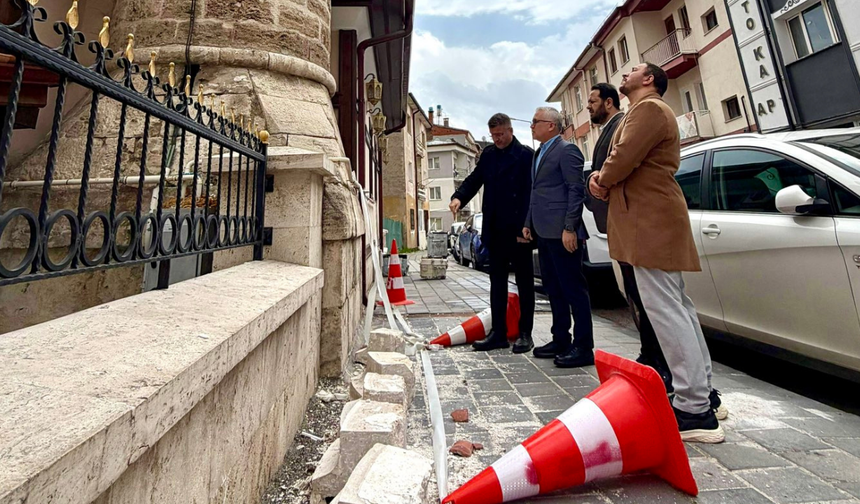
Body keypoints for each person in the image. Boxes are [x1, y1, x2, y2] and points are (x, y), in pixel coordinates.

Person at [589, 63, 726, 443]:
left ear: (648, 79)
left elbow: (623, 157)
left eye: (633, 69)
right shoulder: (648, 110)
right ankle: (703, 395)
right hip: (650, 218)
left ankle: (695, 409)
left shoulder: (647, 109)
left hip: (648, 220)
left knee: (666, 310)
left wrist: (599, 179)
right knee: (677, 307)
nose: (625, 73)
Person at [584, 83, 673, 392]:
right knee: (635, 293)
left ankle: (658, 361)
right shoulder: (606, 130)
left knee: (646, 296)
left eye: (592, 101)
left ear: (609, 103)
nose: (588, 107)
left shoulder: (625, 123)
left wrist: (599, 181)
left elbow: (621, 163)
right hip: (616, 221)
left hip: (631, 218)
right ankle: (649, 354)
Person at [450, 113, 536, 353]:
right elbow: (474, 180)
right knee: (497, 283)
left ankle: (525, 334)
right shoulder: (488, 155)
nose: (497, 139)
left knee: (524, 283)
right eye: (493, 135)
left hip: (519, 231)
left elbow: (532, 194)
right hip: (495, 230)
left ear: (510, 131)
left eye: (500, 134)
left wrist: (527, 226)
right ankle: (498, 333)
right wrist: (458, 197)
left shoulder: (526, 155)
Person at [522, 107, 594, 368]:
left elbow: (576, 190)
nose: (531, 126)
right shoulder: (539, 152)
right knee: (553, 288)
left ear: (551, 125)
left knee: (573, 289)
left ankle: (584, 347)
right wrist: (529, 222)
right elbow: (537, 191)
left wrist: (570, 227)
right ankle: (561, 339)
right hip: (544, 231)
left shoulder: (567, 150)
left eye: (535, 121)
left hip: (563, 233)